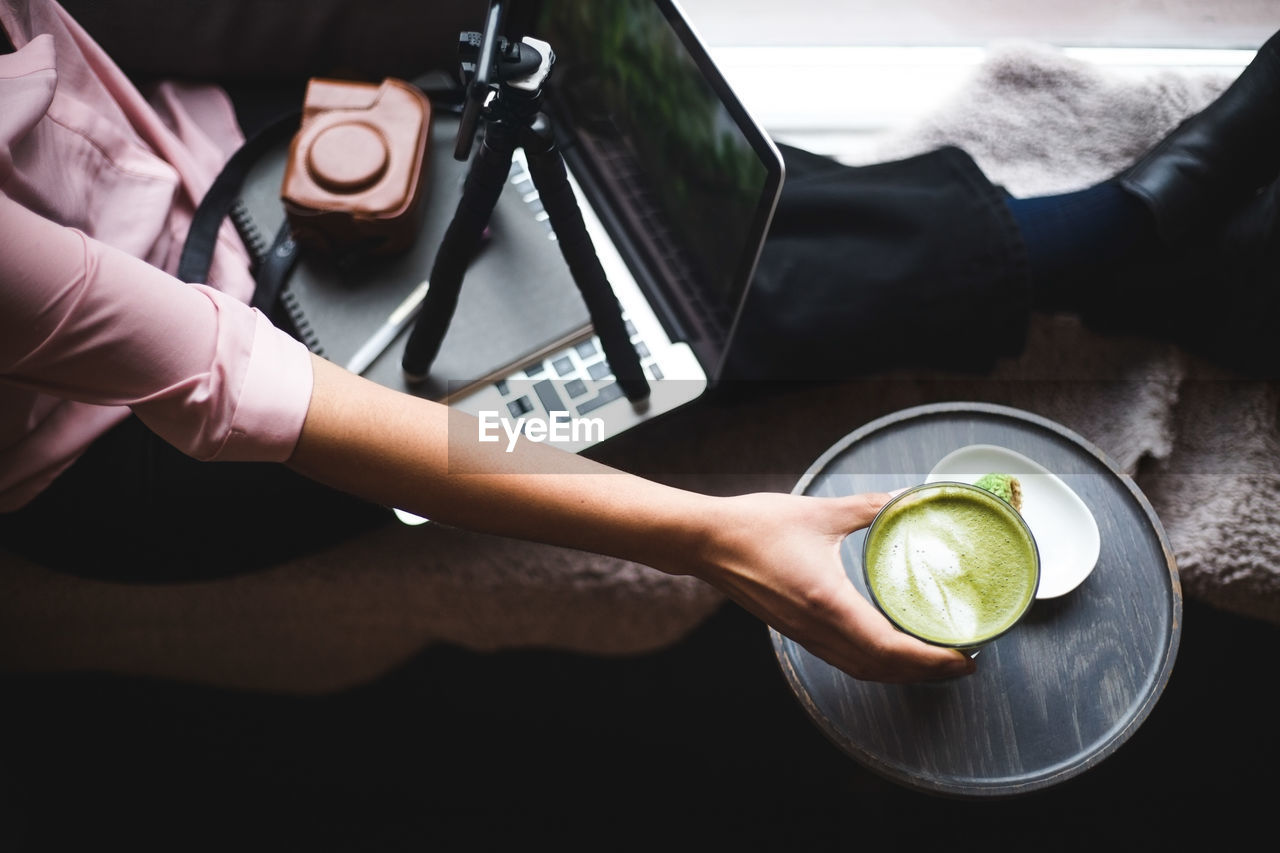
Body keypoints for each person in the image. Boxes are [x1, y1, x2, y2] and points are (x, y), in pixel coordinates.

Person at [1, 0, 1276, 685]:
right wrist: (711, 534)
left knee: (642, 183)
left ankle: (1128, 258)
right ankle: (1120, 238)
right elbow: (232, 379)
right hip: (139, 441)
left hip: (197, 147)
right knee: (637, 319)